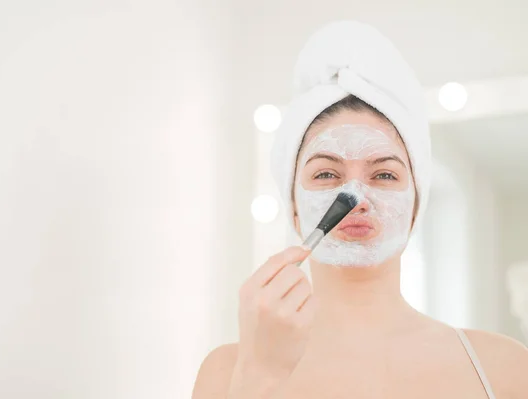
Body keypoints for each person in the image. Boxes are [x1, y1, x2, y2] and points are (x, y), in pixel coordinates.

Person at [192, 21, 528, 399]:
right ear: (294, 207)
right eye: (326, 173)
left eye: (384, 174)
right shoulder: (226, 373)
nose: (356, 195)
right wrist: (261, 378)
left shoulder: (505, 368)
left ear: (416, 203)